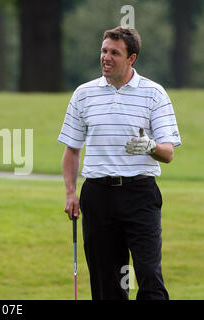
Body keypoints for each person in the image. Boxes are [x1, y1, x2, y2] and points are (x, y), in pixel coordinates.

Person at [58, 26, 181, 300]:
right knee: (106, 284)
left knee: (149, 278)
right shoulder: (84, 94)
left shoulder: (154, 94)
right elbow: (72, 150)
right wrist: (70, 192)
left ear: (131, 58)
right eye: (104, 51)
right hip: (97, 195)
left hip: (140, 195)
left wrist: (150, 146)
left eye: (115, 53)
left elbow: (168, 152)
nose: (106, 57)